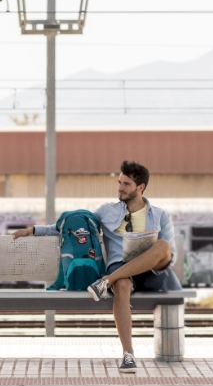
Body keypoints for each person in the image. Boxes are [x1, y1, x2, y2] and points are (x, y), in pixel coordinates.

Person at [12, 160, 179, 374]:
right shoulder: (106, 212)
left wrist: (144, 252)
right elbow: (71, 226)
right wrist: (34, 230)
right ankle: (128, 355)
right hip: (121, 268)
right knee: (121, 286)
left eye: (126, 184)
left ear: (141, 187)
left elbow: (168, 254)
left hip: (153, 271)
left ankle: (105, 281)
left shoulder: (160, 215)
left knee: (162, 245)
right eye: (119, 182)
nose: (120, 187)